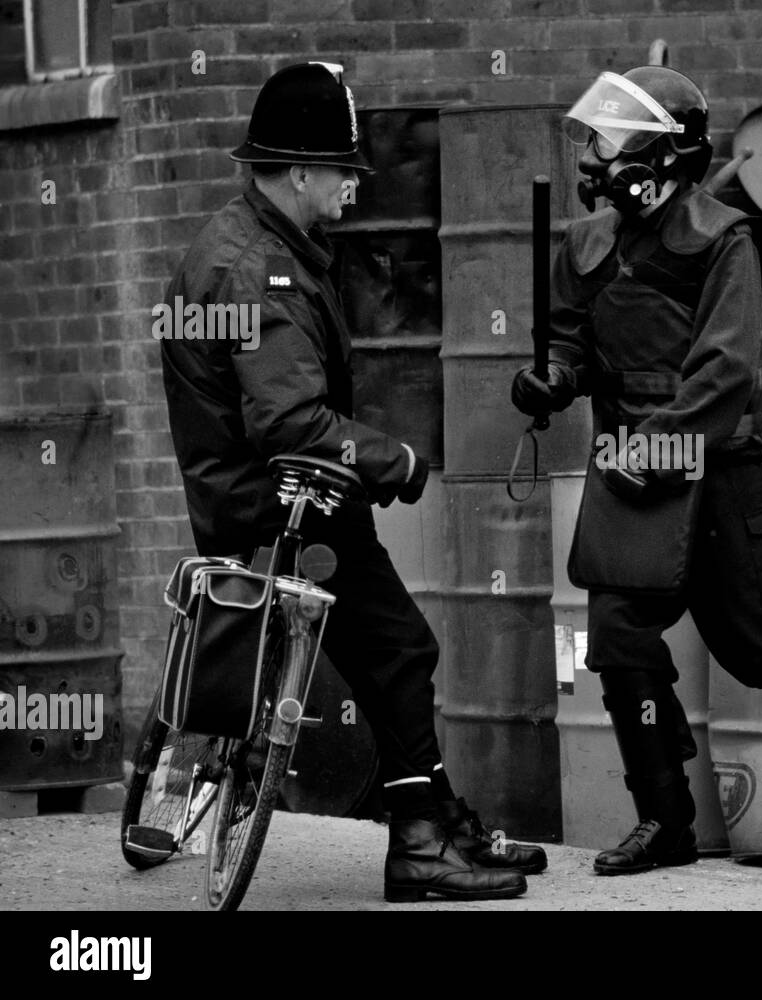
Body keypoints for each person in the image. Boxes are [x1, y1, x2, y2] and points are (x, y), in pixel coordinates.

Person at [160, 62, 543, 902]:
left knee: (387, 656)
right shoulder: (267, 273)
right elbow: (288, 421)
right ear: (299, 171)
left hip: (247, 502)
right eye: (342, 171)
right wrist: (391, 460)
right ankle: (418, 846)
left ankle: (437, 816)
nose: (352, 187)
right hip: (289, 507)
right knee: (402, 651)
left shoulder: (234, 242)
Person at [511, 66, 762, 877]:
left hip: (718, 473)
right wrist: (553, 376)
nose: (593, 154)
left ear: (659, 156)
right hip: (631, 474)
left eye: (608, 141)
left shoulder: (725, 240)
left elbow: (723, 374)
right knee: (615, 643)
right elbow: (572, 343)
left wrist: (656, 446)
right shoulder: (584, 245)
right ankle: (665, 823)